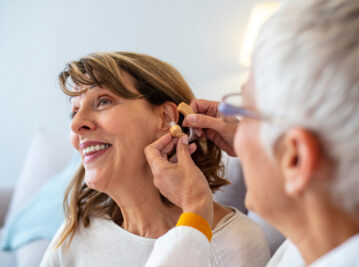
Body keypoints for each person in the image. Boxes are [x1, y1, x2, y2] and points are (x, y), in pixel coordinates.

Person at [143, 0, 359, 266]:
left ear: (295, 158)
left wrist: (194, 209)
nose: (237, 130)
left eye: (247, 111)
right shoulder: (320, 241)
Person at [39, 52, 270, 267]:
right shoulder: (75, 233)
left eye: (103, 101)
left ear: (166, 118)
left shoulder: (234, 242)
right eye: (74, 111)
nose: (75, 124)